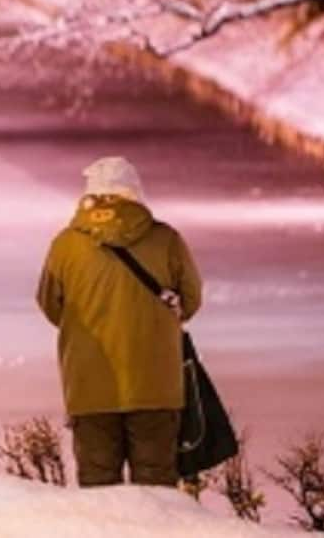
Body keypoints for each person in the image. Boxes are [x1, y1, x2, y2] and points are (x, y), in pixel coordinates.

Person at [36, 156, 203, 488]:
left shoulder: (66, 245)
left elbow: (50, 304)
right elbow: (191, 300)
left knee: (99, 491)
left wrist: (87, 330)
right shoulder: (166, 240)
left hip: (88, 382)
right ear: (135, 192)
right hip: (156, 383)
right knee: (155, 488)